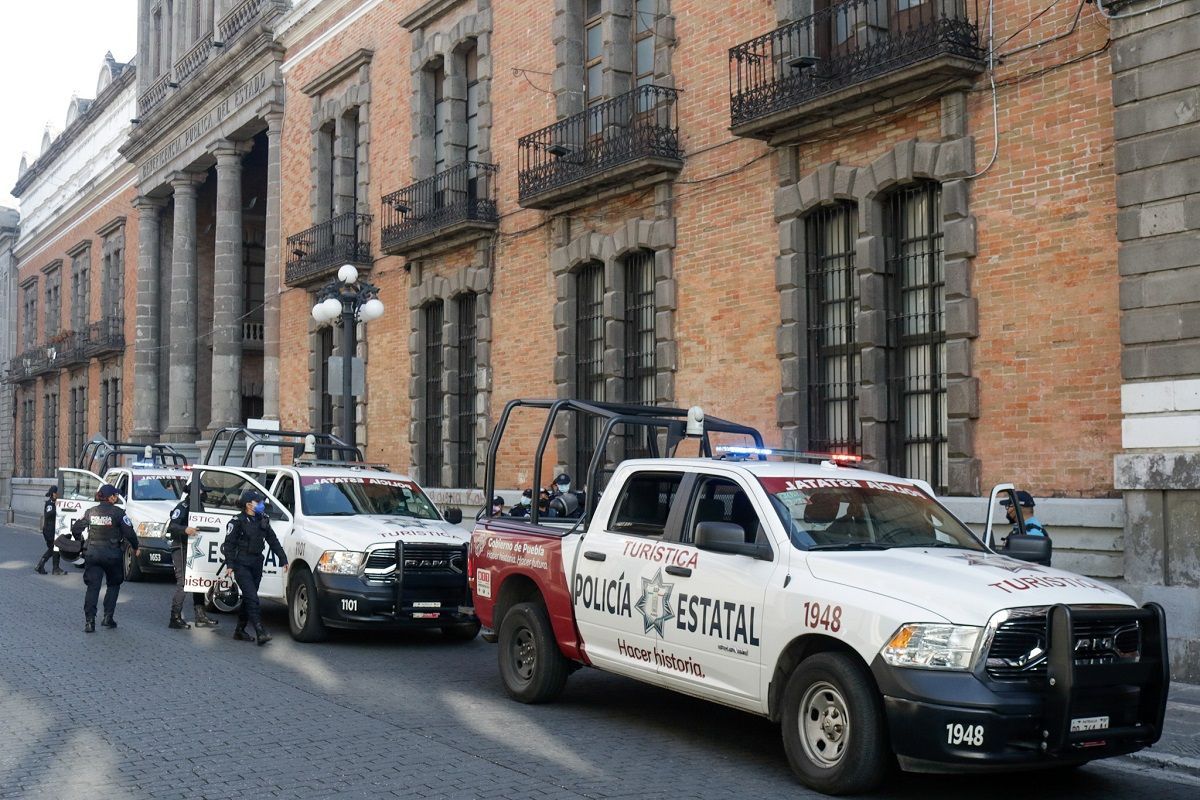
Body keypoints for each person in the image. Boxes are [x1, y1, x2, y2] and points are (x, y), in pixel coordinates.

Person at [221, 489, 288, 645]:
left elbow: (273, 541)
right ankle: (260, 631)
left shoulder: (263, 519)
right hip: (241, 563)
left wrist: (283, 559)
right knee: (252, 597)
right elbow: (229, 545)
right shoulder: (237, 521)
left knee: (248, 597)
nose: (261, 505)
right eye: (258, 502)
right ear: (249, 504)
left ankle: (239, 630)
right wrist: (230, 564)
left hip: (257, 563)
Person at [72, 484, 139, 633]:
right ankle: (108, 618)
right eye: (115, 495)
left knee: (92, 587)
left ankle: (89, 622)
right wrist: (136, 547)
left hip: (93, 554)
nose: (117, 497)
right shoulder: (119, 513)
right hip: (112, 555)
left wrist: (81, 542)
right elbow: (129, 533)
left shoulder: (91, 512)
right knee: (113, 585)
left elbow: (76, 528)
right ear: (110, 497)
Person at [166, 480, 219, 630]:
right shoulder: (182, 506)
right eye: (203, 492)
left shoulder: (198, 506)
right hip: (181, 547)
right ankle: (174, 618)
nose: (205, 495)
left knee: (198, 581)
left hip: (194, 548)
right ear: (195, 493)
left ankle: (200, 616)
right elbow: (172, 526)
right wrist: (185, 530)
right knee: (183, 583)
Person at [34, 486, 66, 576]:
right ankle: (43, 566)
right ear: (53, 493)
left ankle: (53, 568)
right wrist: (56, 507)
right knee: (53, 549)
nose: (57, 494)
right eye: (56, 493)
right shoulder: (50, 503)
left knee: (55, 548)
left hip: (52, 530)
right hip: (49, 531)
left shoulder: (54, 502)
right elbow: (48, 514)